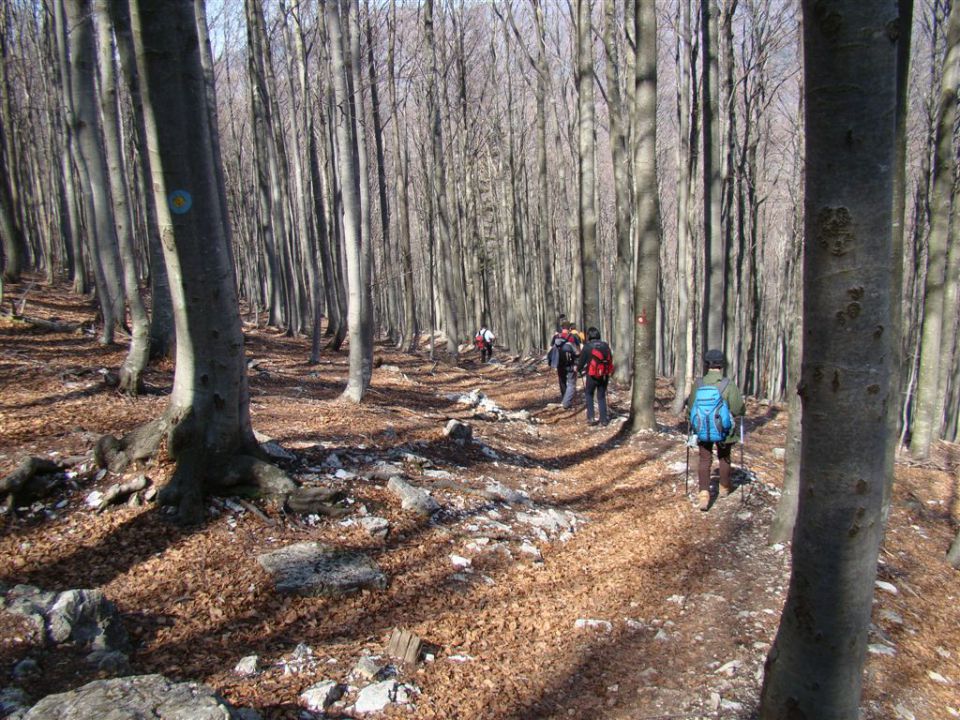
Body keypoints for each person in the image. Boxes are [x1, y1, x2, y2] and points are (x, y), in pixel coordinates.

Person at [685, 349, 746, 511]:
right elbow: (738, 408)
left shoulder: (698, 384)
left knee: (705, 459)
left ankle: (704, 493)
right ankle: (724, 487)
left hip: (703, 429)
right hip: (724, 430)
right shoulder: (727, 384)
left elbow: (690, 408)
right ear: (721, 365)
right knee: (724, 457)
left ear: (707, 365)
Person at [577, 327, 613, 426]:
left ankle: (591, 417)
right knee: (601, 396)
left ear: (589, 335)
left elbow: (581, 362)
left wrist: (578, 369)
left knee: (589, 394)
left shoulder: (587, 346)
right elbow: (610, 358)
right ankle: (603, 419)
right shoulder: (605, 345)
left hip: (592, 374)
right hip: (604, 374)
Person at [548, 322, 579, 406]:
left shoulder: (556, 337)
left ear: (561, 328)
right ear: (570, 329)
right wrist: (577, 362)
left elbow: (550, 349)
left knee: (562, 380)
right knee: (571, 381)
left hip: (559, 362)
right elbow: (577, 351)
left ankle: (564, 397)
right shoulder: (573, 337)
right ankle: (567, 401)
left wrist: (551, 361)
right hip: (570, 362)